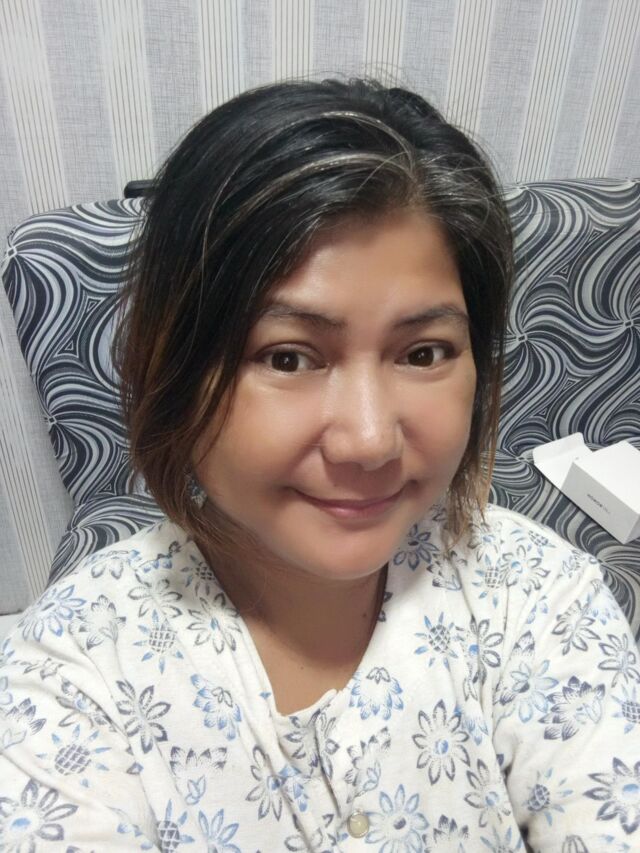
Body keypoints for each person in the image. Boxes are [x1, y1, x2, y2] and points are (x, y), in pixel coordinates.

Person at [0, 79, 638, 852]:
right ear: (170, 366)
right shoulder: (70, 671)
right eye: (288, 356)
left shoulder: (540, 598)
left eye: (423, 352)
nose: (369, 440)